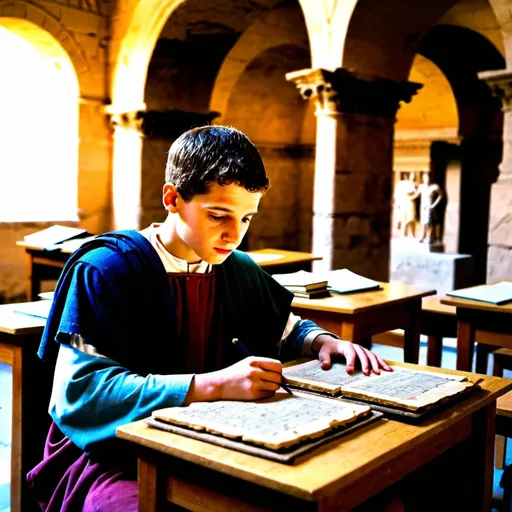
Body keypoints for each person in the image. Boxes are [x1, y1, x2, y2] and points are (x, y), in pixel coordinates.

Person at [27, 125, 392, 512]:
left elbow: (287, 329)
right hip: (115, 452)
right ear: (172, 198)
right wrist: (212, 385)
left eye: (247, 219)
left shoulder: (236, 268)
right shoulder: (107, 269)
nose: (234, 235)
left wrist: (323, 342)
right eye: (219, 216)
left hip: (215, 438)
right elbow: (83, 394)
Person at [415, 172, 444, 244]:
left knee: (430, 223)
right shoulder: (421, 187)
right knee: (423, 222)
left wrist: (434, 205)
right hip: (423, 206)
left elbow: (441, 195)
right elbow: (416, 195)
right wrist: (408, 197)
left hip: (430, 206)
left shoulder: (434, 187)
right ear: (423, 178)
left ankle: (431, 238)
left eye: (428, 177)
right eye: (425, 178)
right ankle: (423, 237)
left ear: (430, 178)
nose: (427, 179)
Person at [398, 172, 417, 238]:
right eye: (412, 175)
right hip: (404, 202)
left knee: (411, 219)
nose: (413, 177)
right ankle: (403, 234)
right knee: (404, 219)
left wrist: (412, 197)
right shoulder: (404, 184)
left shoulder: (414, 184)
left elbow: (416, 194)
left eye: (414, 176)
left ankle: (413, 235)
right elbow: (401, 193)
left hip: (411, 203)